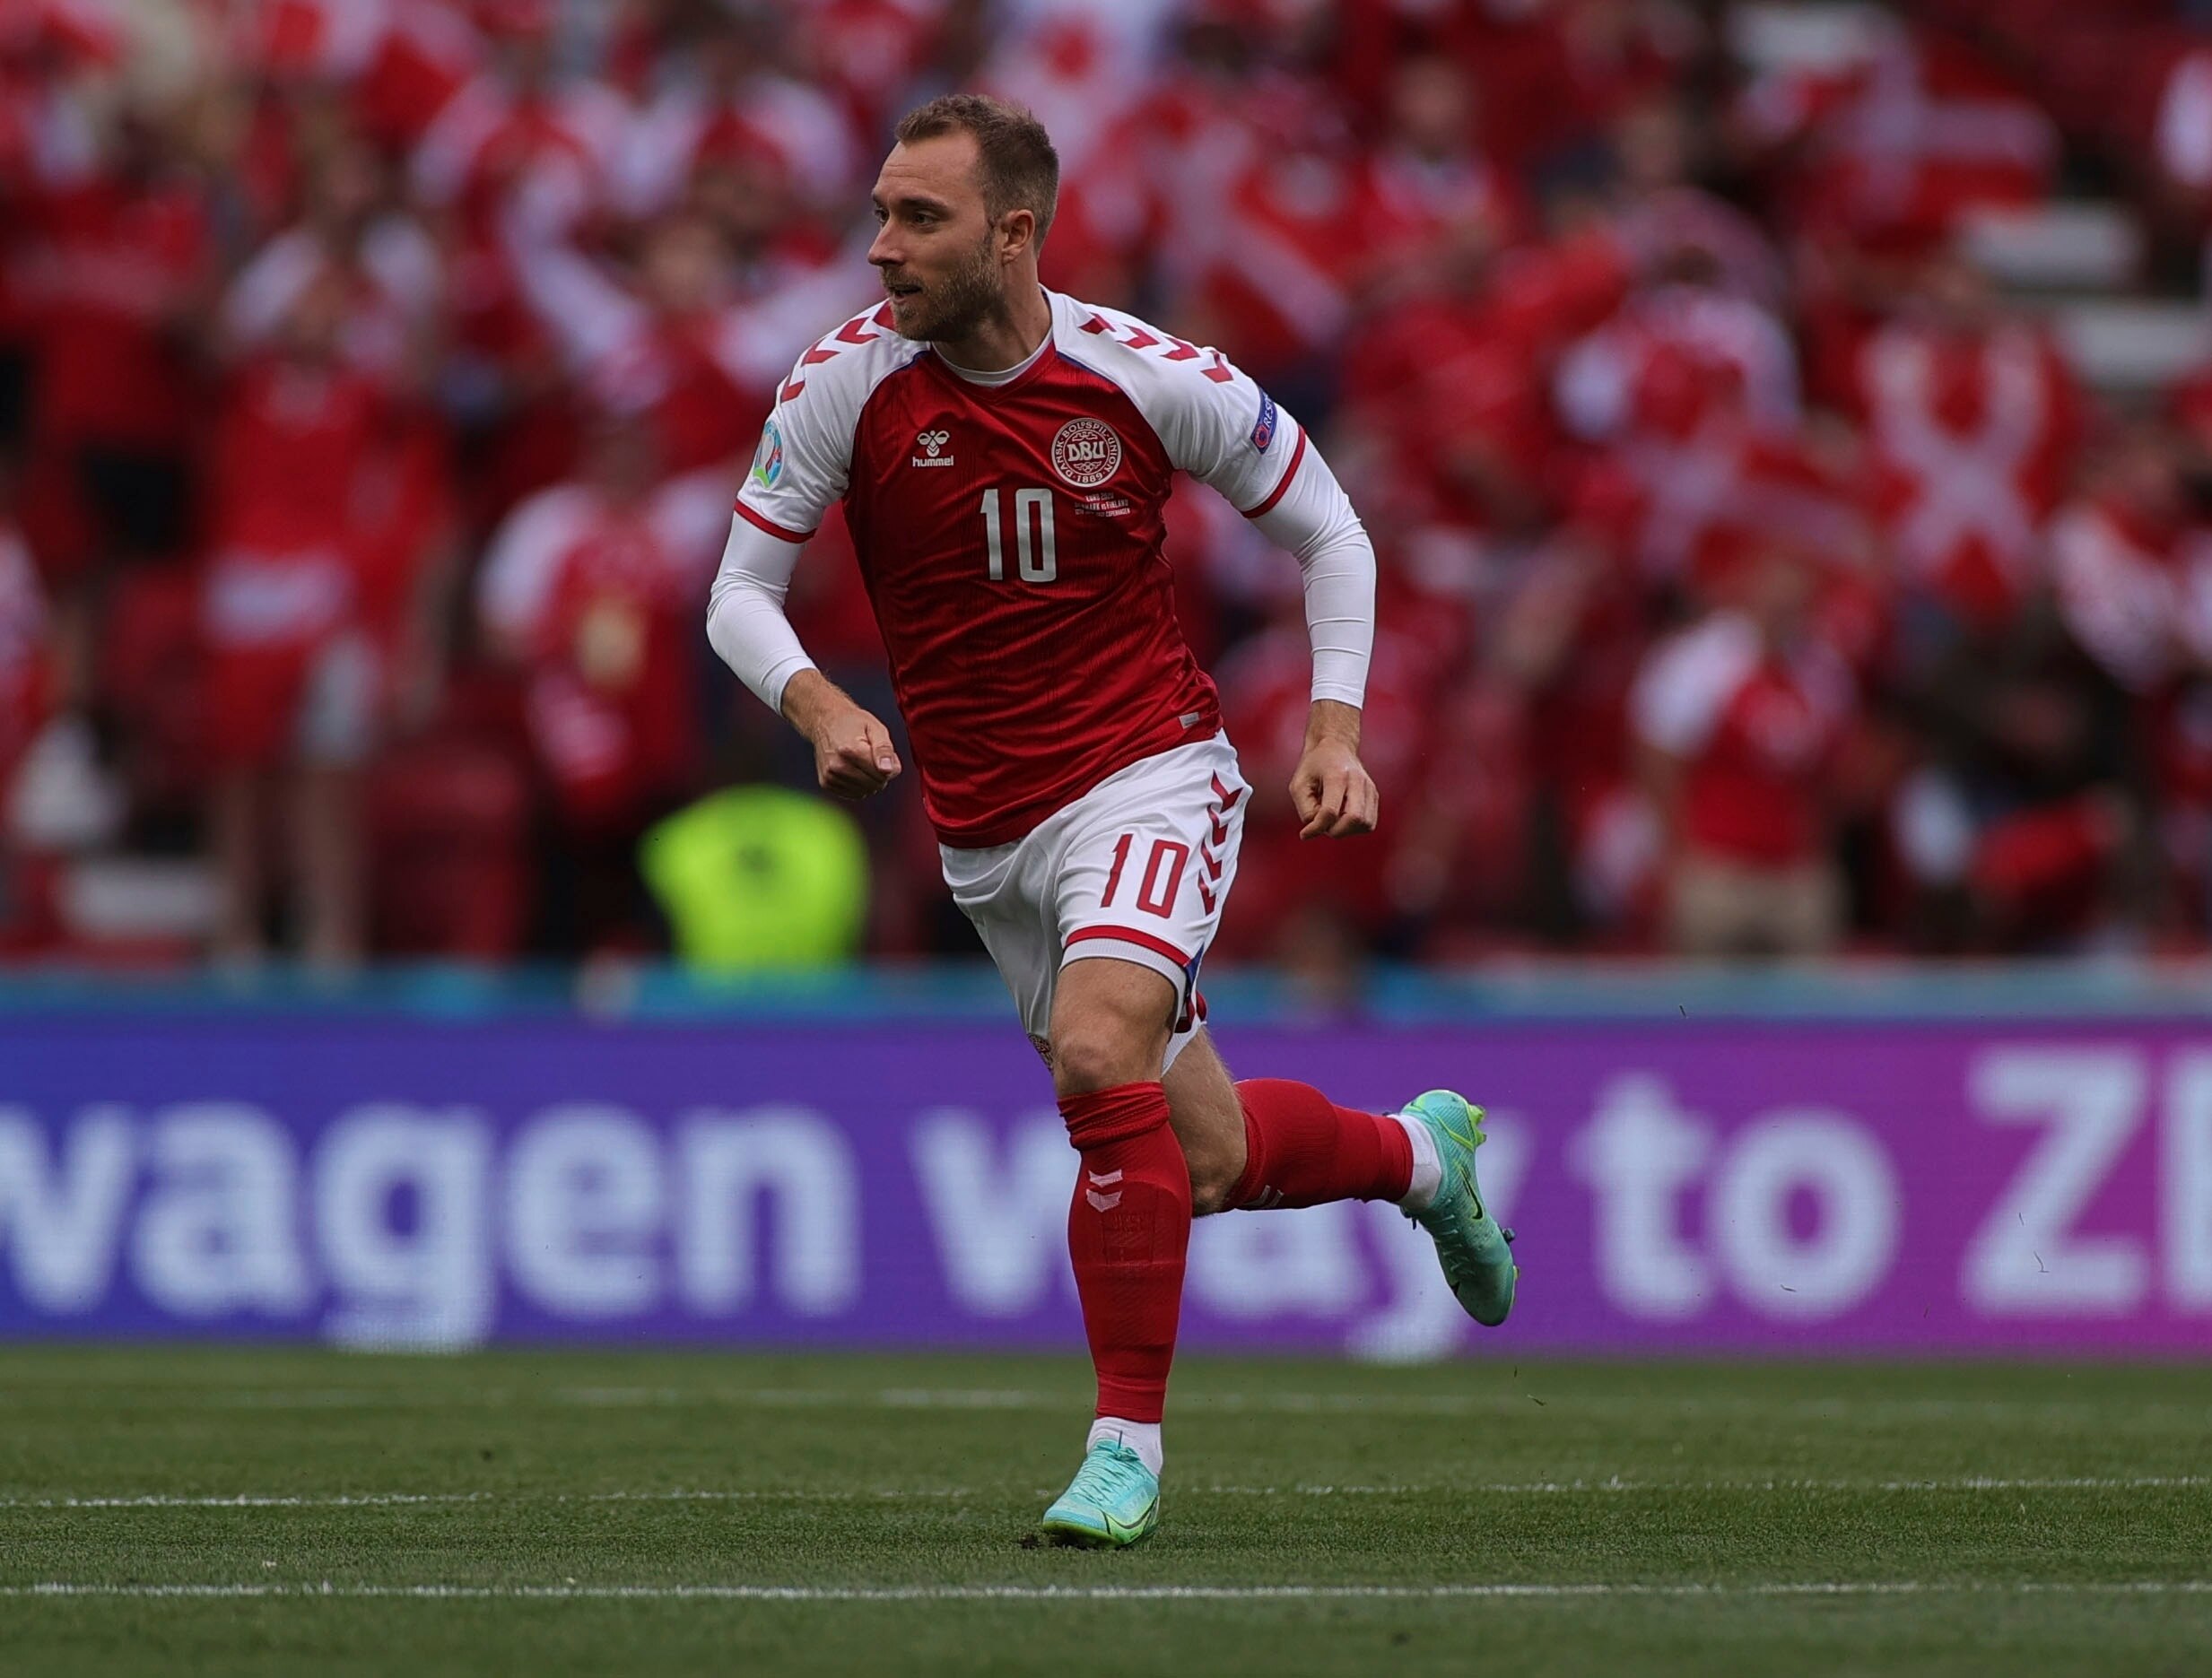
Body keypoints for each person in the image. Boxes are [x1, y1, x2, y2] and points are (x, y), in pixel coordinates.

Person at [704, 94, 1517, 1549]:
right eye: (881, 211)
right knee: (1194, 1161)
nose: (880, 245)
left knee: (1096, 1055)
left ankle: (1122, 1452)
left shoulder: (1144, 375)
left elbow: (1328, 527)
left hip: (1148, 772)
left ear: (1014, 233)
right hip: (984, 834)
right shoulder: (839, 383)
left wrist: (1330, 733)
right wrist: (820, 707)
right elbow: (736, 596)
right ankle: (1419, 1157)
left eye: (919, 218)